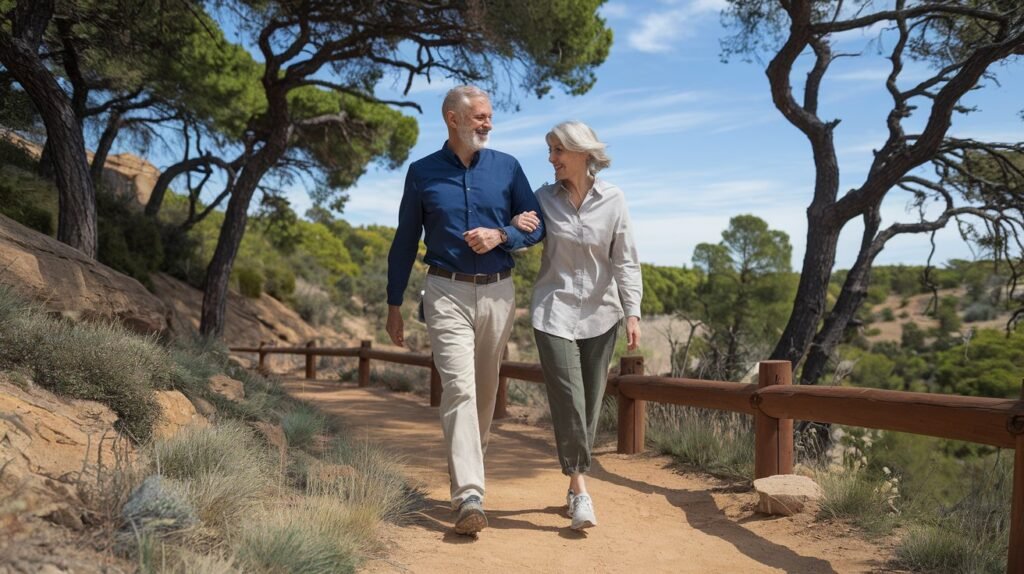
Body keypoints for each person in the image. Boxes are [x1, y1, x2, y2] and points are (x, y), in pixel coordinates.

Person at [385, 85, 545, 536]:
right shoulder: (421, 172)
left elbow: (538, 226)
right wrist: (393, 302)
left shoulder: (508, 168)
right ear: (452, 118)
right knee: (458, 388)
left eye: (489, 116)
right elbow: (403, 241)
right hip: (445, 290)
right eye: (479, 117)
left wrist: (503, 235)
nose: (488, 124)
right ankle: (470, 494)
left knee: (486, 391)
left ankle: (469, 472)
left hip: (499, 291)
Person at [512, 120, 642, 531]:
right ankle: (581, 486)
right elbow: (522, 234)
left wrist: (632, 310)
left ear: (582, 152)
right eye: (549, 151)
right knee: (568, 397)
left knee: (588, 402)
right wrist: (509, 229)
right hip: (553, 311)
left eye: (557, 152)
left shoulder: (614, 199)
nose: (551, 160)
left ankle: (573, 483)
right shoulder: (542, 199)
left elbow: (624, 259)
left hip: (603, 315)